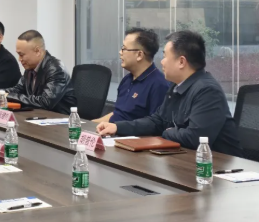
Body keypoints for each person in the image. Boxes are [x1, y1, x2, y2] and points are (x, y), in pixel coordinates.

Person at [97, 31, 243, 157]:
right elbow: (157, 121)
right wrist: (117, 127)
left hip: (217, 166)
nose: (162, 62)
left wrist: (167, 132)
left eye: (165, 56)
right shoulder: (176, 86)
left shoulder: (207, 91)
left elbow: (195, 138)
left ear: (181, 62)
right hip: (185, 159)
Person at [94, 28, 170, 123]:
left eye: (124, 49)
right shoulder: (127, 80)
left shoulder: (159, 85)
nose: (120, 52)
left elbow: (156, 125)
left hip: (127, 132)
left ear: (139, 55)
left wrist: (116, 128)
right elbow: (118, 114)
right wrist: (88, 125)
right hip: (112, 130)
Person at [0, 30, 76, 114]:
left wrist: (9, 96)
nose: (19, 59)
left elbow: (45, 102)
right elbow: (19, 89)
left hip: (60, 118)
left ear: (37, 51)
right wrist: (1, 93)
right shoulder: (30, 68)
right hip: (38, 115)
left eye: (21, 55)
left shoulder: (56, 69)